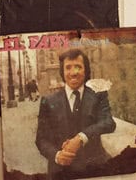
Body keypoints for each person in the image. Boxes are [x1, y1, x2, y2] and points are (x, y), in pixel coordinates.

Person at [35, 48, 116, 178]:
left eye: (78, 67)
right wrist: (57, 156)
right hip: (61, 172)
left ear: (86, 70)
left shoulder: (98, 95)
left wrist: (81, 138)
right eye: (68, 68)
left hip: (94, 169)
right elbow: (41, 139)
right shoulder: (48, 101)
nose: (73, 73)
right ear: (62, 72)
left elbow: (108, 123)